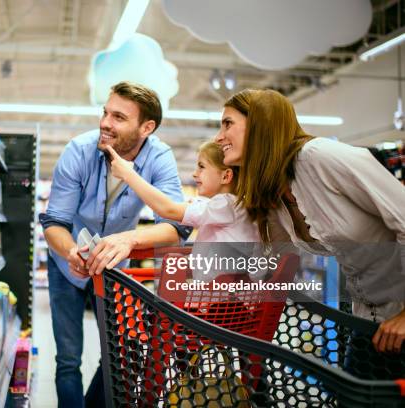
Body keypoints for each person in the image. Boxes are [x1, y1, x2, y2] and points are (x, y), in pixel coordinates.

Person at [214, 88, 405, 354]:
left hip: (400, 319)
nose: (218, 137)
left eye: (227, 124)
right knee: (350, 395)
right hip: (368, 321)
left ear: (260, 125)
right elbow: (275, 266)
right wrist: (221, 303)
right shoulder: (276, 192)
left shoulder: (319, 157)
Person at [39, 81, 191, 408]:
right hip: (66, 265)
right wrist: (69, 251)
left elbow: (177, 227)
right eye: (105, 112)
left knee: (115, 357)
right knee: (68, 359)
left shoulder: (159, 158)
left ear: (146, 127)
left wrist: (131, 237)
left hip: (113, 269)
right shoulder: (79, 151)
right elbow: (55, 222)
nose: (105, 123)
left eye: (119, 117)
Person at [105, 140, 259, 280]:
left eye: (201, 167)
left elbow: (168, 210)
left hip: (219, 304)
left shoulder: (225, 204)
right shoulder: (235, 207)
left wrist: (128, 175)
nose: (194, 174)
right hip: (229, 301)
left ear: (226, 176)